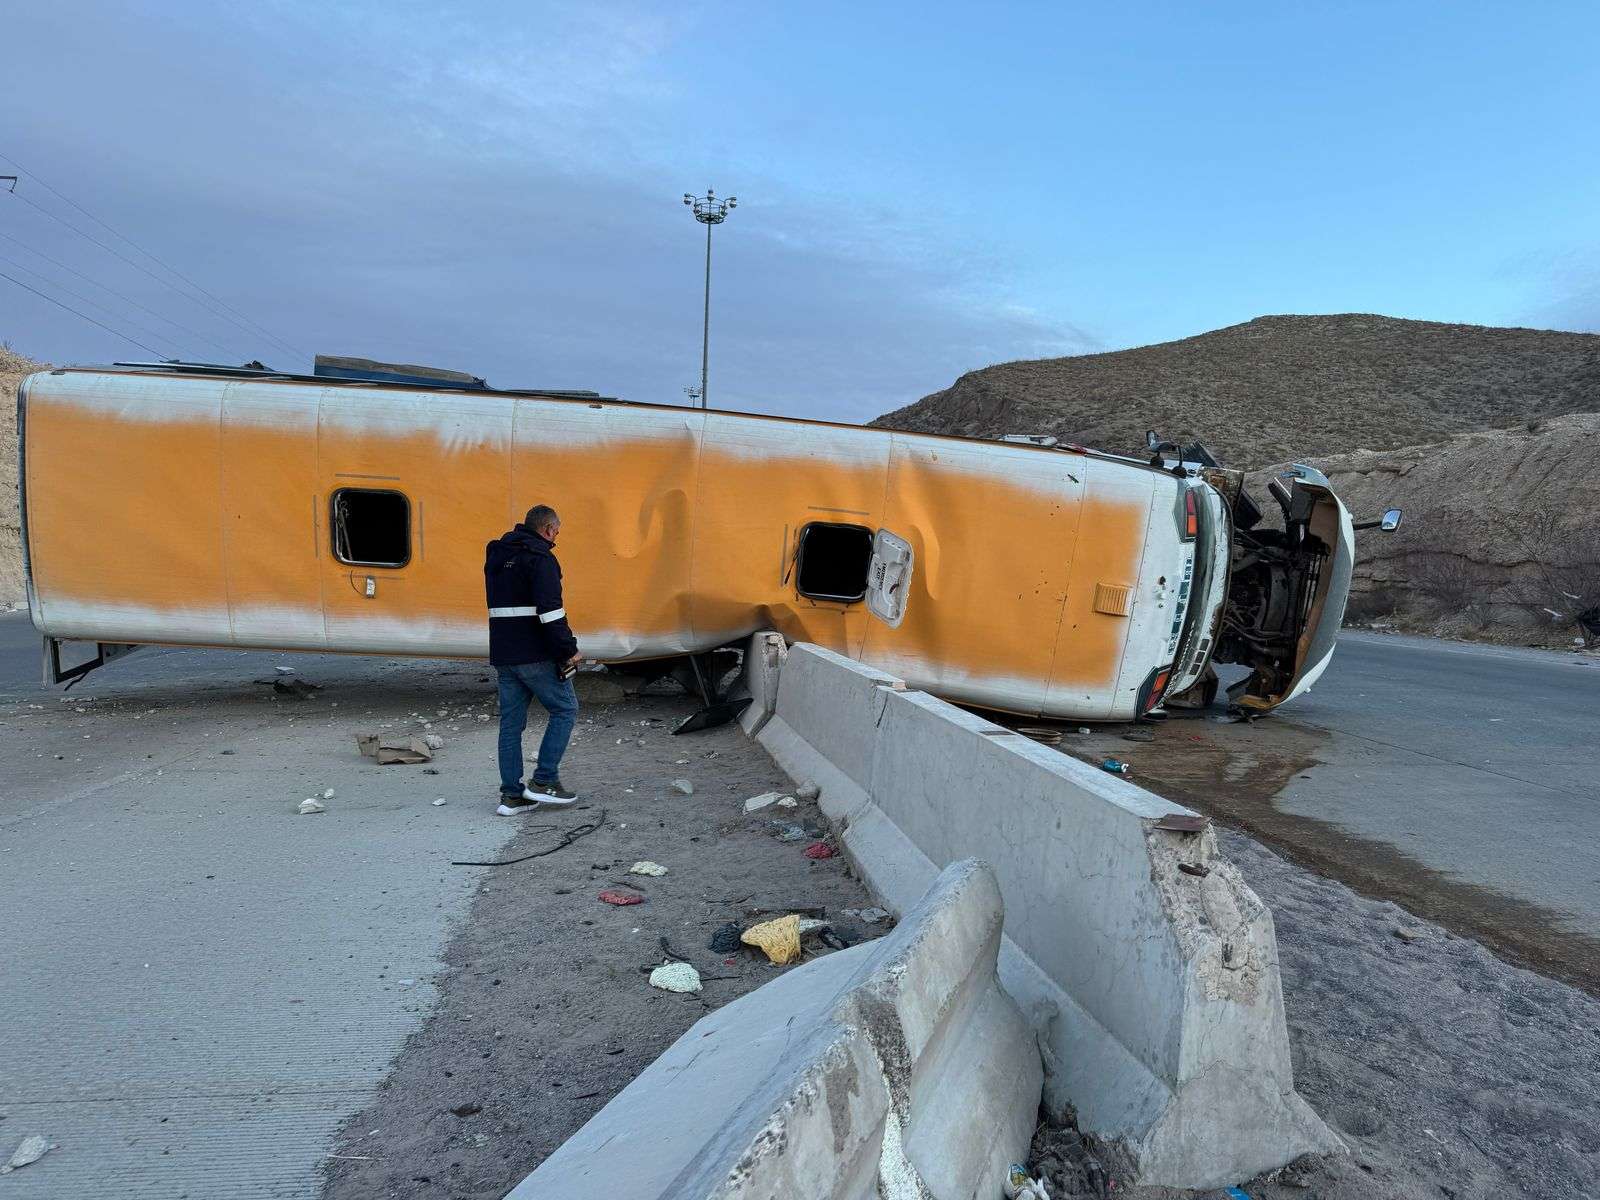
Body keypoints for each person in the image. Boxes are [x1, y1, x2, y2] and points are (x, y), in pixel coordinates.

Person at [484, 504, 582, 814]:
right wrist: (569, 650)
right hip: (535, 654)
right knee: (565, 709)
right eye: (557, 533)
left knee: (511, 726)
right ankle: (544, 781)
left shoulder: (497, 556)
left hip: (504, 653)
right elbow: (551, 613)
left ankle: (512, 796)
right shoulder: (541, 559)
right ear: (549, 529)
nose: (556, 538)